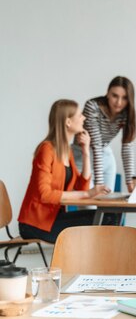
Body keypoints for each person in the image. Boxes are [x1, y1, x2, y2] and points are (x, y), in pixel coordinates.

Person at [18, 99, 112, 242]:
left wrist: (86, 151)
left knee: (109, 216)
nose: (84, 118)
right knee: (106, 219)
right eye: (80, 115)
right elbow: (45, 195)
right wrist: (87, 193)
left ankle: (94, 261)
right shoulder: (46, 150)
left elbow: (81, 186)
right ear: (68, 122)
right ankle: (91, 261)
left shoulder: (66, 151)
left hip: (54, 218)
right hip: (35, 224)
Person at [73, 76, 136, 192]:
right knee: (90, 207)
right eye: (115, 96)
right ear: (107, 93)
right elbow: (96, 144)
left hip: (106, 157)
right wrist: (99, 183)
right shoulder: (92, 107)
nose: (119, 102)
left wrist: (130, 181)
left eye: (124, 98)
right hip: (83, 157)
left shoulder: (125, 114)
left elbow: (127, 146)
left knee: (107, 205)